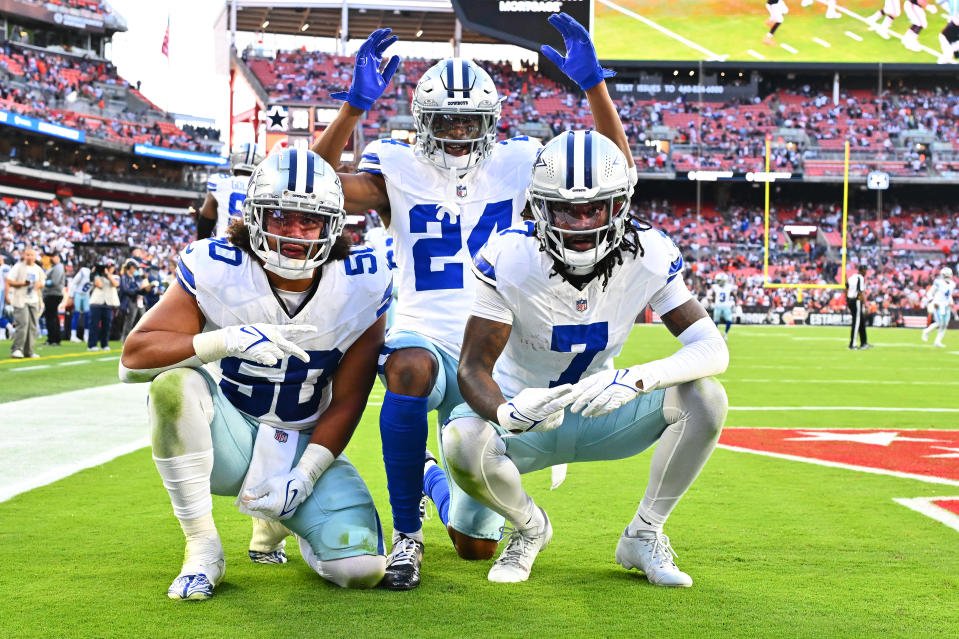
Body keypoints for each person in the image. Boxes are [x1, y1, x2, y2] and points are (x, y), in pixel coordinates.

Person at [313, 14, 623, 589]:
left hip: (493, 349)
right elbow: (313, 183)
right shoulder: (395, 165)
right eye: (445, 119)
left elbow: (614, 173)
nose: (457, 132)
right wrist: (353, 108)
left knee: (474, 544)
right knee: (408, 369)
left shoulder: (518, 162)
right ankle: (407, 536)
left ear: (492, 123)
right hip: (424, 332)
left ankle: (431, 478)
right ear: (422, 121)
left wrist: (595, 87)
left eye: (469, 120)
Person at [443, 129, 729, 586]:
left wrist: (637, 380)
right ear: (539, 206)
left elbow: (712, 349)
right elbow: (472, 368)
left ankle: (644, 533)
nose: (580, 224)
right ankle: (530, 529)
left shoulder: (649, 253)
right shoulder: (510, 255)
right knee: (461, 443)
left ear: (619, 205)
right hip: (528, 418)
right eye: (565, 210)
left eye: (594, 208)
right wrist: (507, 411)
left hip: (602, 408)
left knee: (706, 399)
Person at [120, 147, 392, 599]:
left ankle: (289, 522)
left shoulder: (361, 282)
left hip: (304, 443)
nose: (295, 233)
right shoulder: (220, 267)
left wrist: (305, 475)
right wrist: (222, 341)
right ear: (253, 216)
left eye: (310, 220)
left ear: (334, 225)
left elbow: (349, 399)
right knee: (173, 385)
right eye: (280, 217)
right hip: (233, 439)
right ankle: (202, 548)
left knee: (360, 569)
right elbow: (133, 359)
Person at [197, 144, 263, 239]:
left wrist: (202, 244)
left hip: (224, 246)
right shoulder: (265, 188)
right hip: (253, 250)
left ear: (235, 160)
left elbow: (206, 218)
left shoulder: (220, 181)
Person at [6, 247, 45, 358]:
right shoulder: (18, 267)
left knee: (32, 326)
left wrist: (39, 285)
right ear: (23, 255)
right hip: (20, 299)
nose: (29, 257)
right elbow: (9, 281)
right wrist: (22, 284)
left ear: (35, 256)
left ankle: (29, 350)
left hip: (34, 299)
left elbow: (42, 281)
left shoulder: (37, 268)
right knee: (22, 324)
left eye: (31, 255)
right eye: (27, 255)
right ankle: (17, 349)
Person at [87, 260, 120, 351]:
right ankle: (92, 345)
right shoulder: (97, 276)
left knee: (107, 325)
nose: (109, 269)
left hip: (108, 304)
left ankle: (104, 344)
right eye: (107, 267)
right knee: (94, 324)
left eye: (111, 267)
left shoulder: (115, 276)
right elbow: (99, 285)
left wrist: (107, 274)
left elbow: (115, 284)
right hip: (97, 303)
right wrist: (95, 273)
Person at [921, 266, 956, 347]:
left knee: (944, 325)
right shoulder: (938, 282)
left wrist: (951, 302)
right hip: (938, 304)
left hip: (946, 305)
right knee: (940, 323)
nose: (947, 277)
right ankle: (926, 332)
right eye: (946, 275)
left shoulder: (952, 284)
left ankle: (937, 341)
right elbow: (930, 293)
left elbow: (948, 295)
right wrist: (932, 301)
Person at [119, 259, 149, 342]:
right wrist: (137, 290)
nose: (135, 270)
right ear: (131, 268)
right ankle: (125, 340)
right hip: (130, 301)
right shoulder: (124, 277)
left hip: (139, 300)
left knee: (143, 320)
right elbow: (126, 290)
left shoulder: (135, 278)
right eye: (134, 268)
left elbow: (139, 288)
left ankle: (139, 339)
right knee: (129, 321)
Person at [42, 252, 65, 346]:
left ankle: (53, 339)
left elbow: (55, 282)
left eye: (54, 256)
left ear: (58, 257)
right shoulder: (54, 267)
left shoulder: (58, 267)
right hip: (51, 294)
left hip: (53, 294)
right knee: (52, 317)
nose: (52, 258)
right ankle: (54, 338)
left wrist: (43, 282)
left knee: (51, 317)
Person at [846, 267, 871, 350]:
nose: (866, 273)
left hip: (850, 300)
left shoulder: (851, 277)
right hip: (856, 300)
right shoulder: (860, 278)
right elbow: (860, 291)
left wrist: (847, 299)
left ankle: (864, 343)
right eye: (865, 271)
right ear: (862, 271)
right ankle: (852, 344)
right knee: (856, 322)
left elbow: (846, 287)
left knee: (861, 321)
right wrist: (865, 303)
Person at [67, 264, 92, 342]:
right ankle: (73, 335)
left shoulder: (97, 275)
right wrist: (71, 296)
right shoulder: (84, 272)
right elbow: (74, 282)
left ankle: (86, 335)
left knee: (87, 315)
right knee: (76, 314)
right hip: (78, 294)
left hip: (86, 294)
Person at [709, 272, 737, 339]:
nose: (718, 282)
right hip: (718, 306)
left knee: (729, 320)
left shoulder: (729, 286)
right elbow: (712, 294)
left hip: (726, 306)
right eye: (718, 280)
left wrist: (734, 300)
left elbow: (734, 293)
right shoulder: (715, 287)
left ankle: (725, 333)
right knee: (716, 322)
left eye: (719, 281)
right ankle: (716, 335)